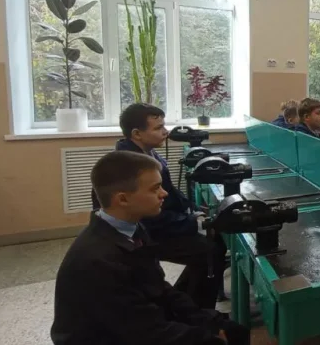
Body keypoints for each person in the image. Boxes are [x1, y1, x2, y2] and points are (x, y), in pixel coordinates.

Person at [52, 151, 249, 345]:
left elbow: (159, 288)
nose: (164, 193)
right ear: (123, 199)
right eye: (155, 189)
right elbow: (144, 333)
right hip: (113, 337)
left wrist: (208, 321)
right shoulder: (98, 261)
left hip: (138, 324)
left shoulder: (133, 229)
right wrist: (209, 338)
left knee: (234, 331)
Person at [89, 103, 226, 309]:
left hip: (158, 223)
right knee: (209, 251)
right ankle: (197, 312)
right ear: (137, 133)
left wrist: (194, 210)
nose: (166, 132)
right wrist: (194, 223)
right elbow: (148, 219)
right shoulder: (131, 168)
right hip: (144, 234)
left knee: (214, 243)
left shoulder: (150, 156)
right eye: (158, 128)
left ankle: (185, 304)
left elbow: (170, 193)